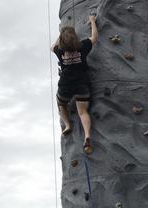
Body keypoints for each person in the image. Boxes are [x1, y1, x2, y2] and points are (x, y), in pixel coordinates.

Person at [51, 15, 98, 154]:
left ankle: (67, 124)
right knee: (83, 112)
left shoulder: (60, 51)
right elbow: (94, 37)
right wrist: (92, 21)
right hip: (82, 83)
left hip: (66, 84)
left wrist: (60, 37)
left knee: (61, 103)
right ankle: (87, 136)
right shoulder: (83, 46)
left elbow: (52, 46)